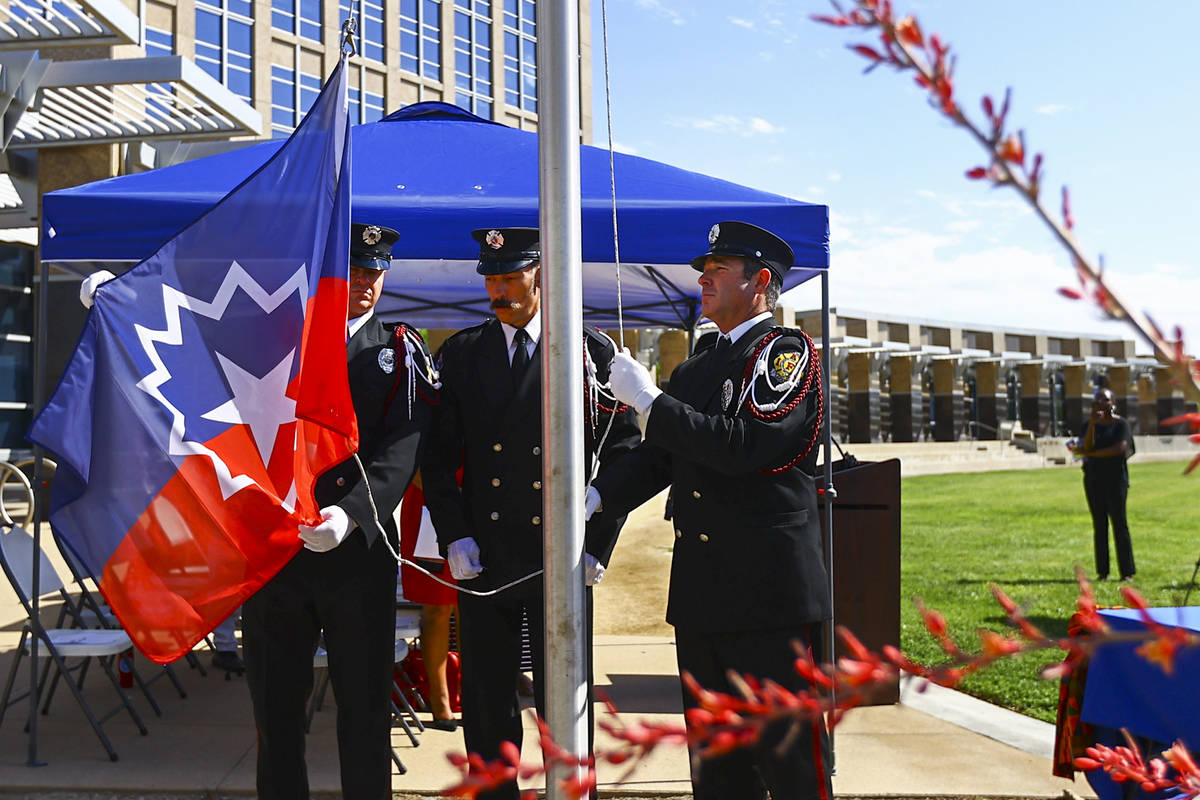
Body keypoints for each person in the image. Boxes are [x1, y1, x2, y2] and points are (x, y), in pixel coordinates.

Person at [588, 221, 834, 800]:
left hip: (768, 591)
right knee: (718, 764)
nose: (703, 278)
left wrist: (650, 401)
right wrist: (595, 499)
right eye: (705, 269)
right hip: (704, 592)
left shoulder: (785, 353)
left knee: (789, 755)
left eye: (719, 270)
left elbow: (746, 446)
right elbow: (660, 459)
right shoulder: (698, 367)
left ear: (761, 282)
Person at [421, 227, 640, 800]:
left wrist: (600, 538)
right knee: (489, 706)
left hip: (559, 555)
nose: (498, 290)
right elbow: (438, 460)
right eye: (491, 280)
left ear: (540, 275)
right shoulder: (464, 353)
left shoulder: (588, 352)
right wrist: (454, 535)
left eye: (510, 278)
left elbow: (624, 451)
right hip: (487, 557)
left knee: (563, 701)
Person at [240, 222, 437, 800]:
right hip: (279, 554)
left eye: (375, 273)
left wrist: (351, 513)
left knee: (364, 710)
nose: (365, 284)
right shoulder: (278, 343)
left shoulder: (396, 349)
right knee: (275, 712)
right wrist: (122, 300)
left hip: (358, 555)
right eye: (354, 272)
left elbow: (405, 446)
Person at [1078, 387, 1136, 582]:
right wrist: (1093, 424)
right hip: (1094, 480)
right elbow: (1085, 447)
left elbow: (1119, 449)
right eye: (1098, 400)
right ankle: (1103, 571)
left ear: (1113, 403)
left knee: (1120, 524)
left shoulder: (1122, 425)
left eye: (1106, 400)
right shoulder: (1089, 425)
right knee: (1099, 525)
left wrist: (1092, 455)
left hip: (1116, 480)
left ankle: (1127, 572)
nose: (1102, 404)